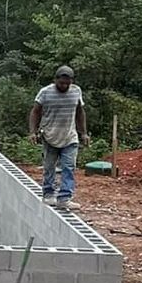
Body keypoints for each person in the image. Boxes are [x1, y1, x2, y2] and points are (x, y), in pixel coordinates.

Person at [29, 65, 88, 206]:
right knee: (49, 167)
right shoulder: (45, 92)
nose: (64, 86)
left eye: (68, 83)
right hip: (50, 135)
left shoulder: (76, 91)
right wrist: (32, 132)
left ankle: (64, 197)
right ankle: (48, 193)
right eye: (61, 83)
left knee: (69, 167)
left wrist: (84, 133)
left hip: (69, 136)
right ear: (55, 80)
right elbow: (35, 112)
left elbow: (80, 112)